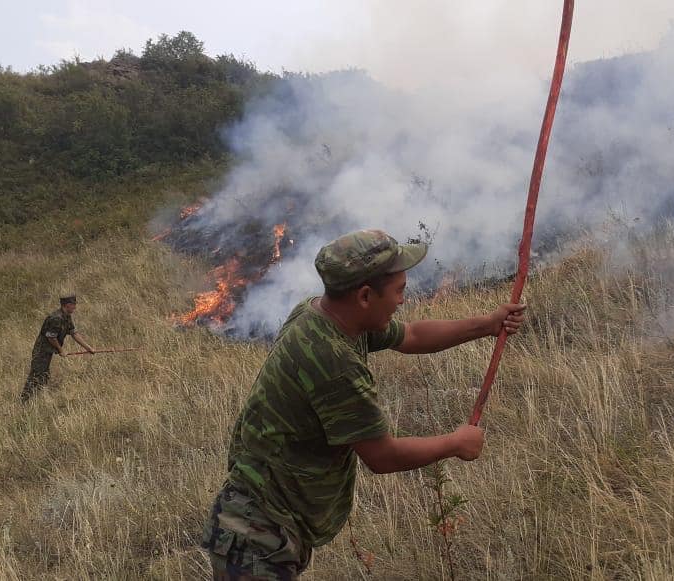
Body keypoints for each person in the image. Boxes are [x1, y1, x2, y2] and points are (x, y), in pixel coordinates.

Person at [201, 229, 526, 579]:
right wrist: (455, 443)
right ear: (365, 296)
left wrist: (488, 324)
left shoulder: (319, 314)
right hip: (257, 537)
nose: (403, 300)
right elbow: (382, 456)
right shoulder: (334, 363)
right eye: (399, 291)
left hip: (268, 523)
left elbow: (411, 335)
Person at [21, 295, 95, 401]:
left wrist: (89, 348)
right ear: (67, 305)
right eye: (73, 305)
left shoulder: (66, 316)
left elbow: (74, 333)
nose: (75, 307)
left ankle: (35, 399)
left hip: (48, 351)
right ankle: (25, 400)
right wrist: (61, 350)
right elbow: (51, 337)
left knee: (44, 376)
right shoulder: (56, 318)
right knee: (37, 375)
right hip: (41, 351)